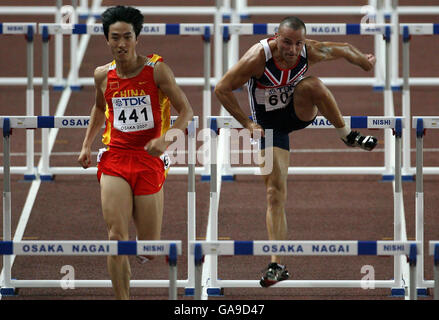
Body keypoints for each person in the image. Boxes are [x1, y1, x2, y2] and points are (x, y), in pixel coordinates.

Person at [214, 16, 377, 288]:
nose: (292, 50)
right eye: (287, 42)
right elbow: (222, 88)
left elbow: (346, 48)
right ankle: (277, 264)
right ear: (276, 37)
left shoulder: (309, 50)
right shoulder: (257, 58)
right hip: (268, 126)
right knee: (274, 193)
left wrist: (364, 62)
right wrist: (247, 123)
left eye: (298, 44)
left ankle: (347, 135)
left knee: (313, 84)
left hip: (298, 111)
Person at [78, 5, 193, 299]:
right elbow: (98, 107)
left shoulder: (157, 71)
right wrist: (86, 144)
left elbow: (187, 112)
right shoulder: (102, 75)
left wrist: (166, 140)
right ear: (107, 40)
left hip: (149, 159)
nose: (121, 44)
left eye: (127, 37)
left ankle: (145, 247)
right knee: (117, 239)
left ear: (136, 38)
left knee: (150, 247)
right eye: (115, 38)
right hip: (115, 157)